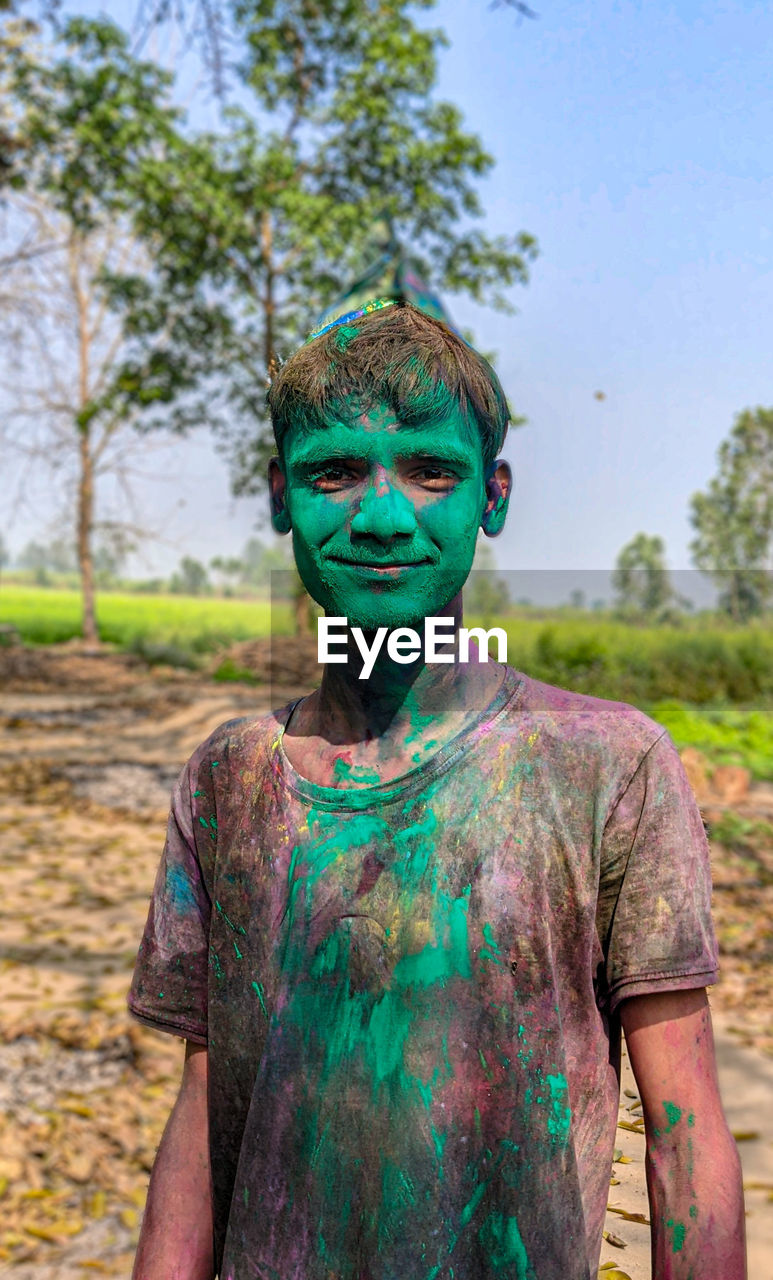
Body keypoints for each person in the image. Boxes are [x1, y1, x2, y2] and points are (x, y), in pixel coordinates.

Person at [128, 299, 745, 1280]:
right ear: (281, 496)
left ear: (490, 497)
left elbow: (684, 1138)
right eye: (332, 471)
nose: (380, 515)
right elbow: (207, 1113)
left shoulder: (602, 761)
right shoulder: (230, 776)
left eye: (429, 469)